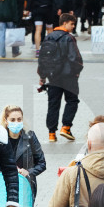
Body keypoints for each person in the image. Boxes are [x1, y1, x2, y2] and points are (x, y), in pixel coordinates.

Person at [38, 12, 83, 142]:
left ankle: (51, 133)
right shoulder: (69, 38)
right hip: (69, 76)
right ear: (64, 23)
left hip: (53, 77)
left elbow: (42, 58)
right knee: (72, 101)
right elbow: (75, 57)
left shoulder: (48, 37)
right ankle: (66, 127)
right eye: (72, 23)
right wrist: (77, 71)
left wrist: (42, 76)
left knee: (53, 104)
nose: (73, 26)